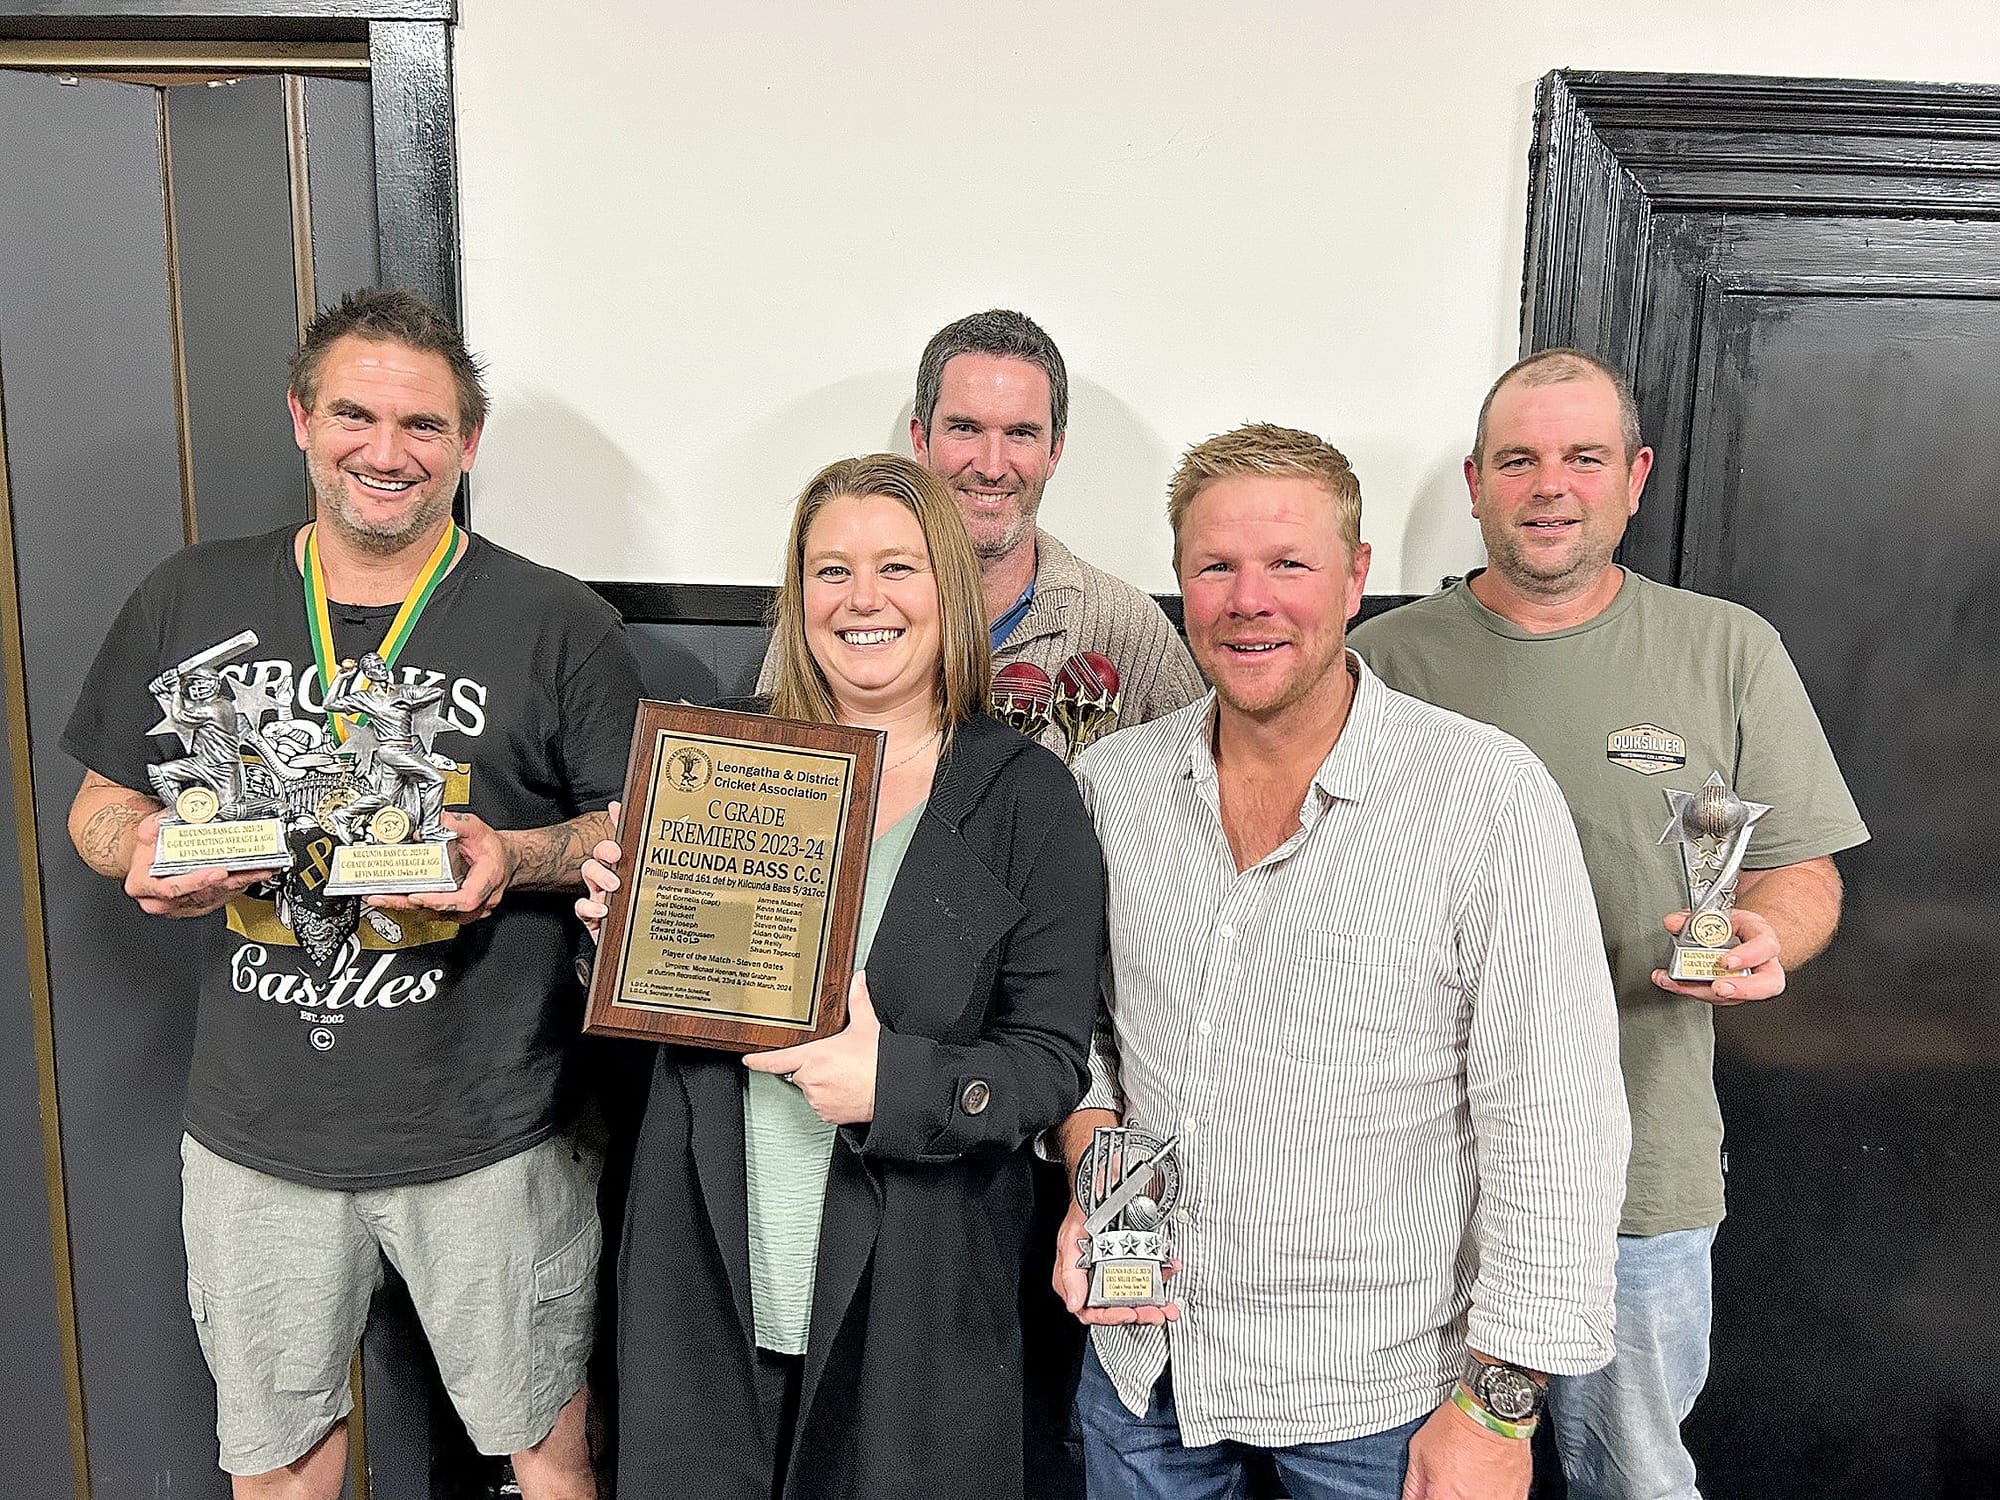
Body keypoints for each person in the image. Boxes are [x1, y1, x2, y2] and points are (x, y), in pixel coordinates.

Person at [62, 288, 640, 1500]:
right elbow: (96, 806)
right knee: (277, 1463)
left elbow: (621, 824)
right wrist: (148, 849)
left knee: (547, 1450)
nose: (388, 452)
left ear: (467, 444)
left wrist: (510, 857)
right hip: (257, 1133)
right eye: (356, 417)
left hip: (489, 1129)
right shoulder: (190, 597)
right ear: (300, 420)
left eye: (424, 426)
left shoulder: (557, 620)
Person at [1056, 422, 1629, 1500]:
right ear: (1177, 581)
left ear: (1357, 577)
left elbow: (1553, 1117)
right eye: (1214, 566)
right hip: (1147, 1369)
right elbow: (1072, 1027)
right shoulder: (1116, 786)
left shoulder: (1482, 797)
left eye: (1288, 564)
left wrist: (1496, 1414)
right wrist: (1094, 1171)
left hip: (1384, 1398)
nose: (1247, 598)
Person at [1352, 349, 1868, 1500]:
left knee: (1631, 1479)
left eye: (1581, 457)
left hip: (1637, 1186)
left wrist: (1762, 938)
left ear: (1632, 477)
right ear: (1478, 484)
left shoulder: (1726, 648)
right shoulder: (1376, 667)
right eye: (1517, 460)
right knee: (1416, 1486)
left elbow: (1804, 874)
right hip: (1414, 1192)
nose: (1549, 486)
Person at [578, 453, 1106, 1499]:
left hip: (912, 1303)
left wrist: (894, 1084)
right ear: (797, 594)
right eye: (830, 571)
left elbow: (1050, 1062)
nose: (862, 600)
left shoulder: (1021, 798)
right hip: (705, 1276)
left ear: (945, 590)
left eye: (897, 568)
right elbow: (653, 1027)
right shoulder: (724, 763)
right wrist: (617, 938)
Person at [763, 309, 1203, 758]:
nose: (992, 467)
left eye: (1020, 433)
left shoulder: (1126, 627)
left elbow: (1197, 786)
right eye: (965, 429)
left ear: (1054, 451)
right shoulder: (844, 617)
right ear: (921, 439)